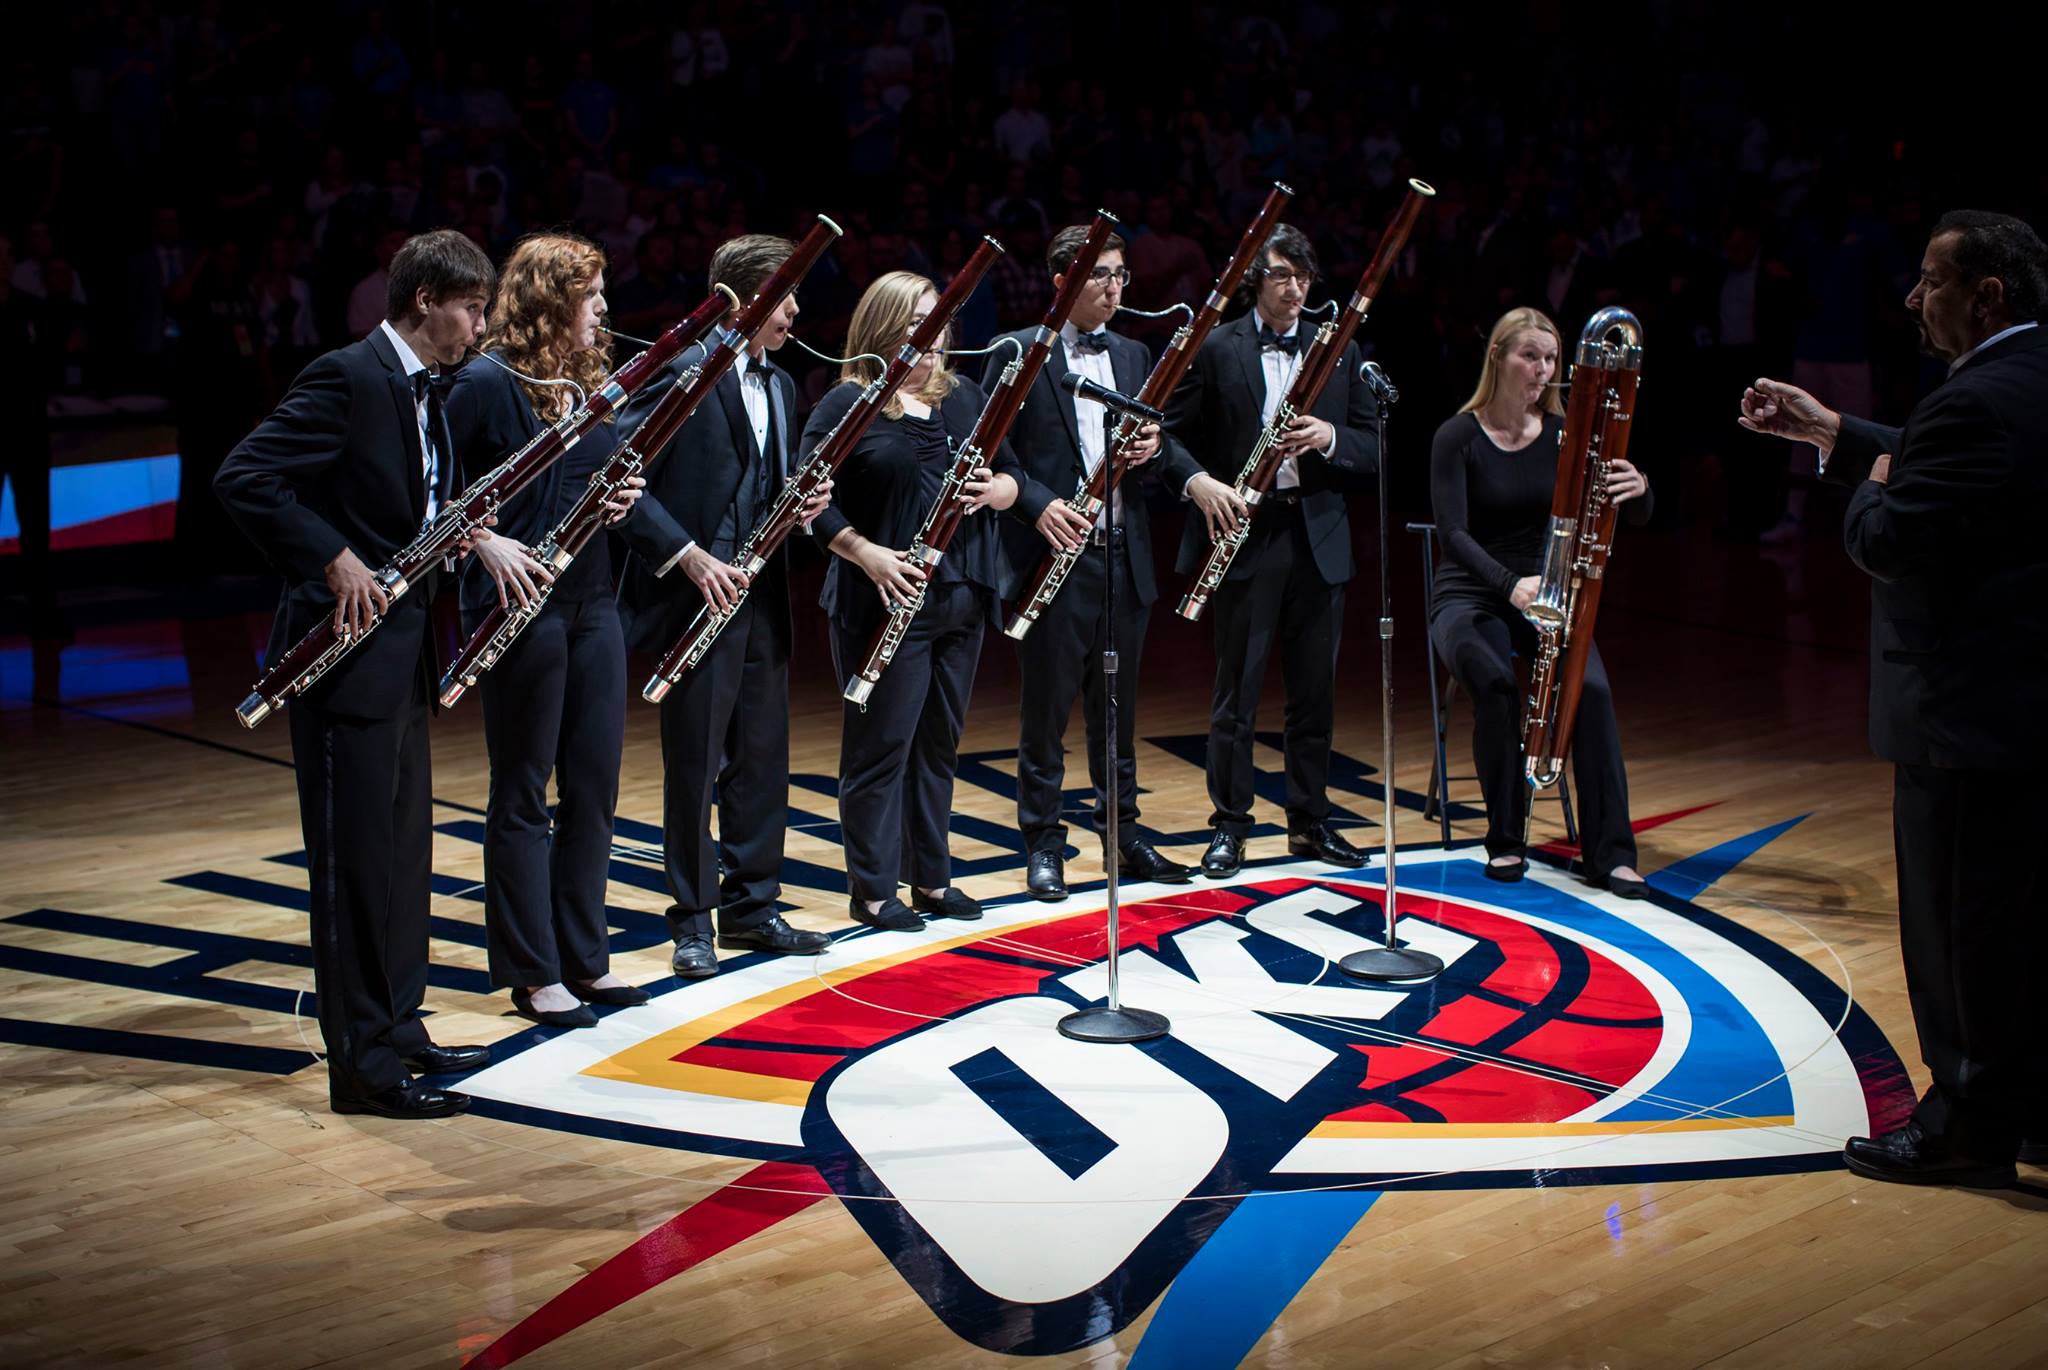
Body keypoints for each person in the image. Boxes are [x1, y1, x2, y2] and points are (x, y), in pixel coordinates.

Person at [1740, 209, 2048, 1187]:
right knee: (2013, 932)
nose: (1912, 299)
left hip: (1960, 715)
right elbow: (1943, 459)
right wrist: (1835, 431)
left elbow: (1891, 532)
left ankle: (1962, 1123)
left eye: (1929, 280)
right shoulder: (2026, 378)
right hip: (2023, 710)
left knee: (1955, 936)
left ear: (1985, 293)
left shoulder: (1973, 399)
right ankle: (2025, 1108)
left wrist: (1867, 483)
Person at [214, 229, 496, 1119]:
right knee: (353, 869)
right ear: (424, 302)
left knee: (402, 858)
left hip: (403, 655)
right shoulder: (347, 375)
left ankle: (400, 1028)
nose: (480, 326)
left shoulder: (428, 391)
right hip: (341, 661)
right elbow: (246, 477)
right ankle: (363, 1069)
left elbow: (417, 505)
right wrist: (332, 556)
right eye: (471, 308)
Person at [443, 233, 647, 1028]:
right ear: (551, 301)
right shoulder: (490, 382)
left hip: (594, 602)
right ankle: (533, 971)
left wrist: (625, 502)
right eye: (591, 295)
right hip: (519, 607)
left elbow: (608, 480)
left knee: (593, 787)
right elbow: (437, 489)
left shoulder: (588, 381)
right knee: (524, 790)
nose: (604, 308)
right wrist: (483, 539)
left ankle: (583, 958)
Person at [616, 234, 834, 978]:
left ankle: (753, 906)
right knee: (695, 765)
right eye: (786, 296)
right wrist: (685, 554)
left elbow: (768, 485)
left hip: (763, 597)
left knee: (761, 759)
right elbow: (618, 476)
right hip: (693, 597)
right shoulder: (682, 372)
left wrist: (805, 505)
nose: (797, 313)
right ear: (741, 300)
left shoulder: (779, 384)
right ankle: (692, 920)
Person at [991, 222, 1224, 899]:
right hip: (1052, 556)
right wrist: (1035, 504)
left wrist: (1170, 464)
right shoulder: (1020, 351)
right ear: (1062, 279)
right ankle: (1043, 844)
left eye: (1122, 275)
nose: (1116, 286)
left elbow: (1153, 441)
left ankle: (1123, 836)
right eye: (1101, 274)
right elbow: (992, 451)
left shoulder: (1131, 352)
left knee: (1117, 711)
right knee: (1046, 712)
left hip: (1124, 554)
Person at [806, 270, 1024, 930]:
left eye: (939, 322)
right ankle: (872, 889)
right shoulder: (846, 405)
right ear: (883, 330)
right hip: (883, 602)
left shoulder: (965, 397)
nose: (933, 337)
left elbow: (1014, 476)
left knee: (938, 747)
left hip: (962, 596)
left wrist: (998, 492)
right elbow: (809, 504)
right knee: (881, 748)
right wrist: (866, 553)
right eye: (916, 323)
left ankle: (931, 878)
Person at [1162, 222, 1374, 877]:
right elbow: (1167, 436)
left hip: (1318, 537)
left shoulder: (1337, 348)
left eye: (1303, 277)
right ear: (1256, 279)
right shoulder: (1217, 347)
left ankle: (1310, 823)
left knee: (1315, 694)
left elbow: (1375, 446)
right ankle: (1229, 825)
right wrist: (1200, 485)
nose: (1294, 288)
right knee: (1238, 694)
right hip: (1246, 536)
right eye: (1281, 275)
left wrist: (1329, 438)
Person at [1428, 307, 1653, 892]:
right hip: (1471, 591)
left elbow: (1620, 510)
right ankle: (1505, 839)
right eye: (1531, 356)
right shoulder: (1457, 436)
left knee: (1592, 691)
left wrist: (1641, 490)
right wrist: (1509, 586)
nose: (1544, 370)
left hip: (1545, 588)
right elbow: (1452, 536)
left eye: (1552, 359)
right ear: (1498, 356)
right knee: (1495, 681)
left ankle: (1611, 853)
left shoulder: (1565, 435)